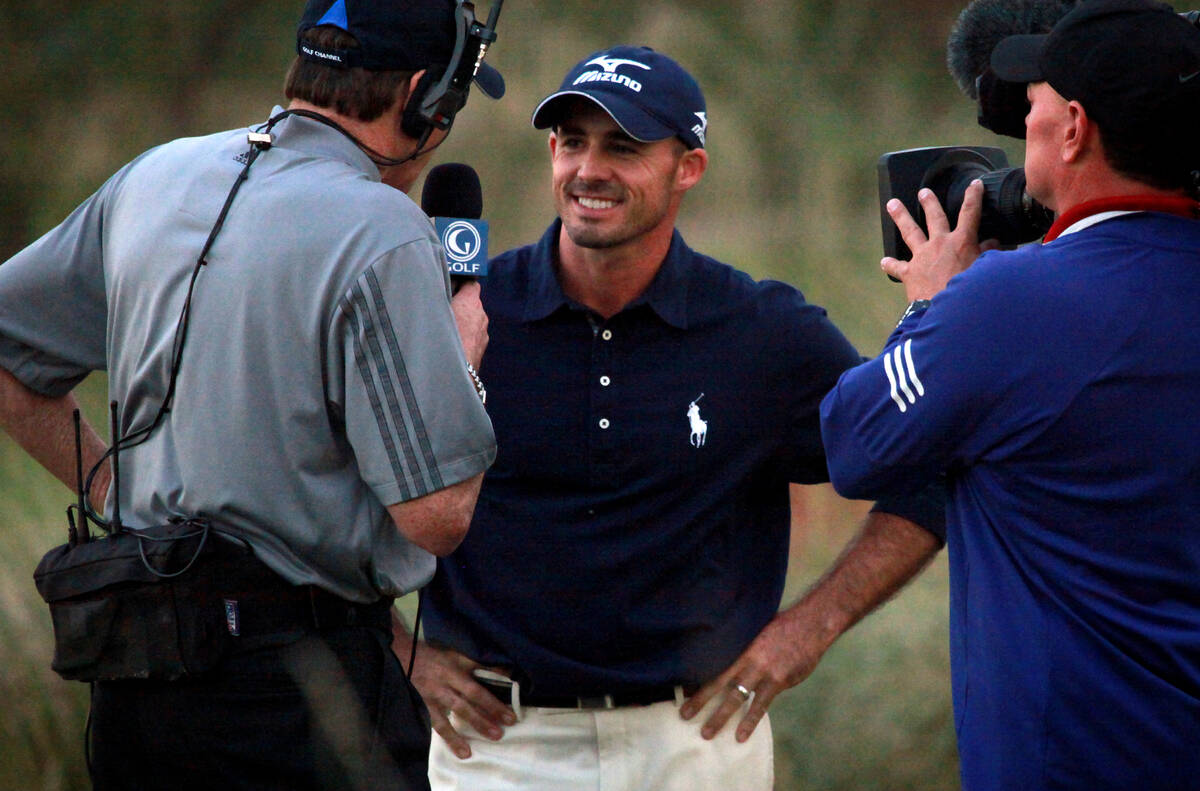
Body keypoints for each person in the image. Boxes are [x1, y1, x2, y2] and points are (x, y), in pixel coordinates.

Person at [399, 46, 945, 791]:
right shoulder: (467, 312)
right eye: (571, 142)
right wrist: (400, 649)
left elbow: (930, 468)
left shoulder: (761, 331)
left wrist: (806, 631)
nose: (589, 169)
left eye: (623, 147)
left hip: (697, 744)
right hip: (496, 747)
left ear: (688, 167)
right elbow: (312, 477)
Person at [0, 1, 502, 788]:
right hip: (297, 693)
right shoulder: (385, 228)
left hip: (135, 686)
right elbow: (437, 516)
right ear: (419, 97)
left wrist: (112, 486)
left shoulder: (155, 174)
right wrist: (463, 354)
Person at [819, 1, 1200, 788]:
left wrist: (932, 303)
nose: (1021, 116)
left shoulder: (1002, 303)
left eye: (1034, 100)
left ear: (1074, 129)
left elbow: (855, 442)